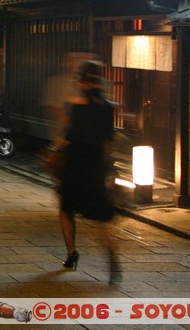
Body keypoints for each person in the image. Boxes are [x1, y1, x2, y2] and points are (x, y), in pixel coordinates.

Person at [57, 60, 119, 281]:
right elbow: (108, 143)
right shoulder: (108, 108)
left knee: (66, 209)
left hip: (74, 163)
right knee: (102, 216)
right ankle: (112, 255)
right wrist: (101, 166)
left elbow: (66, 135)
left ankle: (72, 252)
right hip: (94, 166)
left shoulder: (74, 105)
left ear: (82, 80)